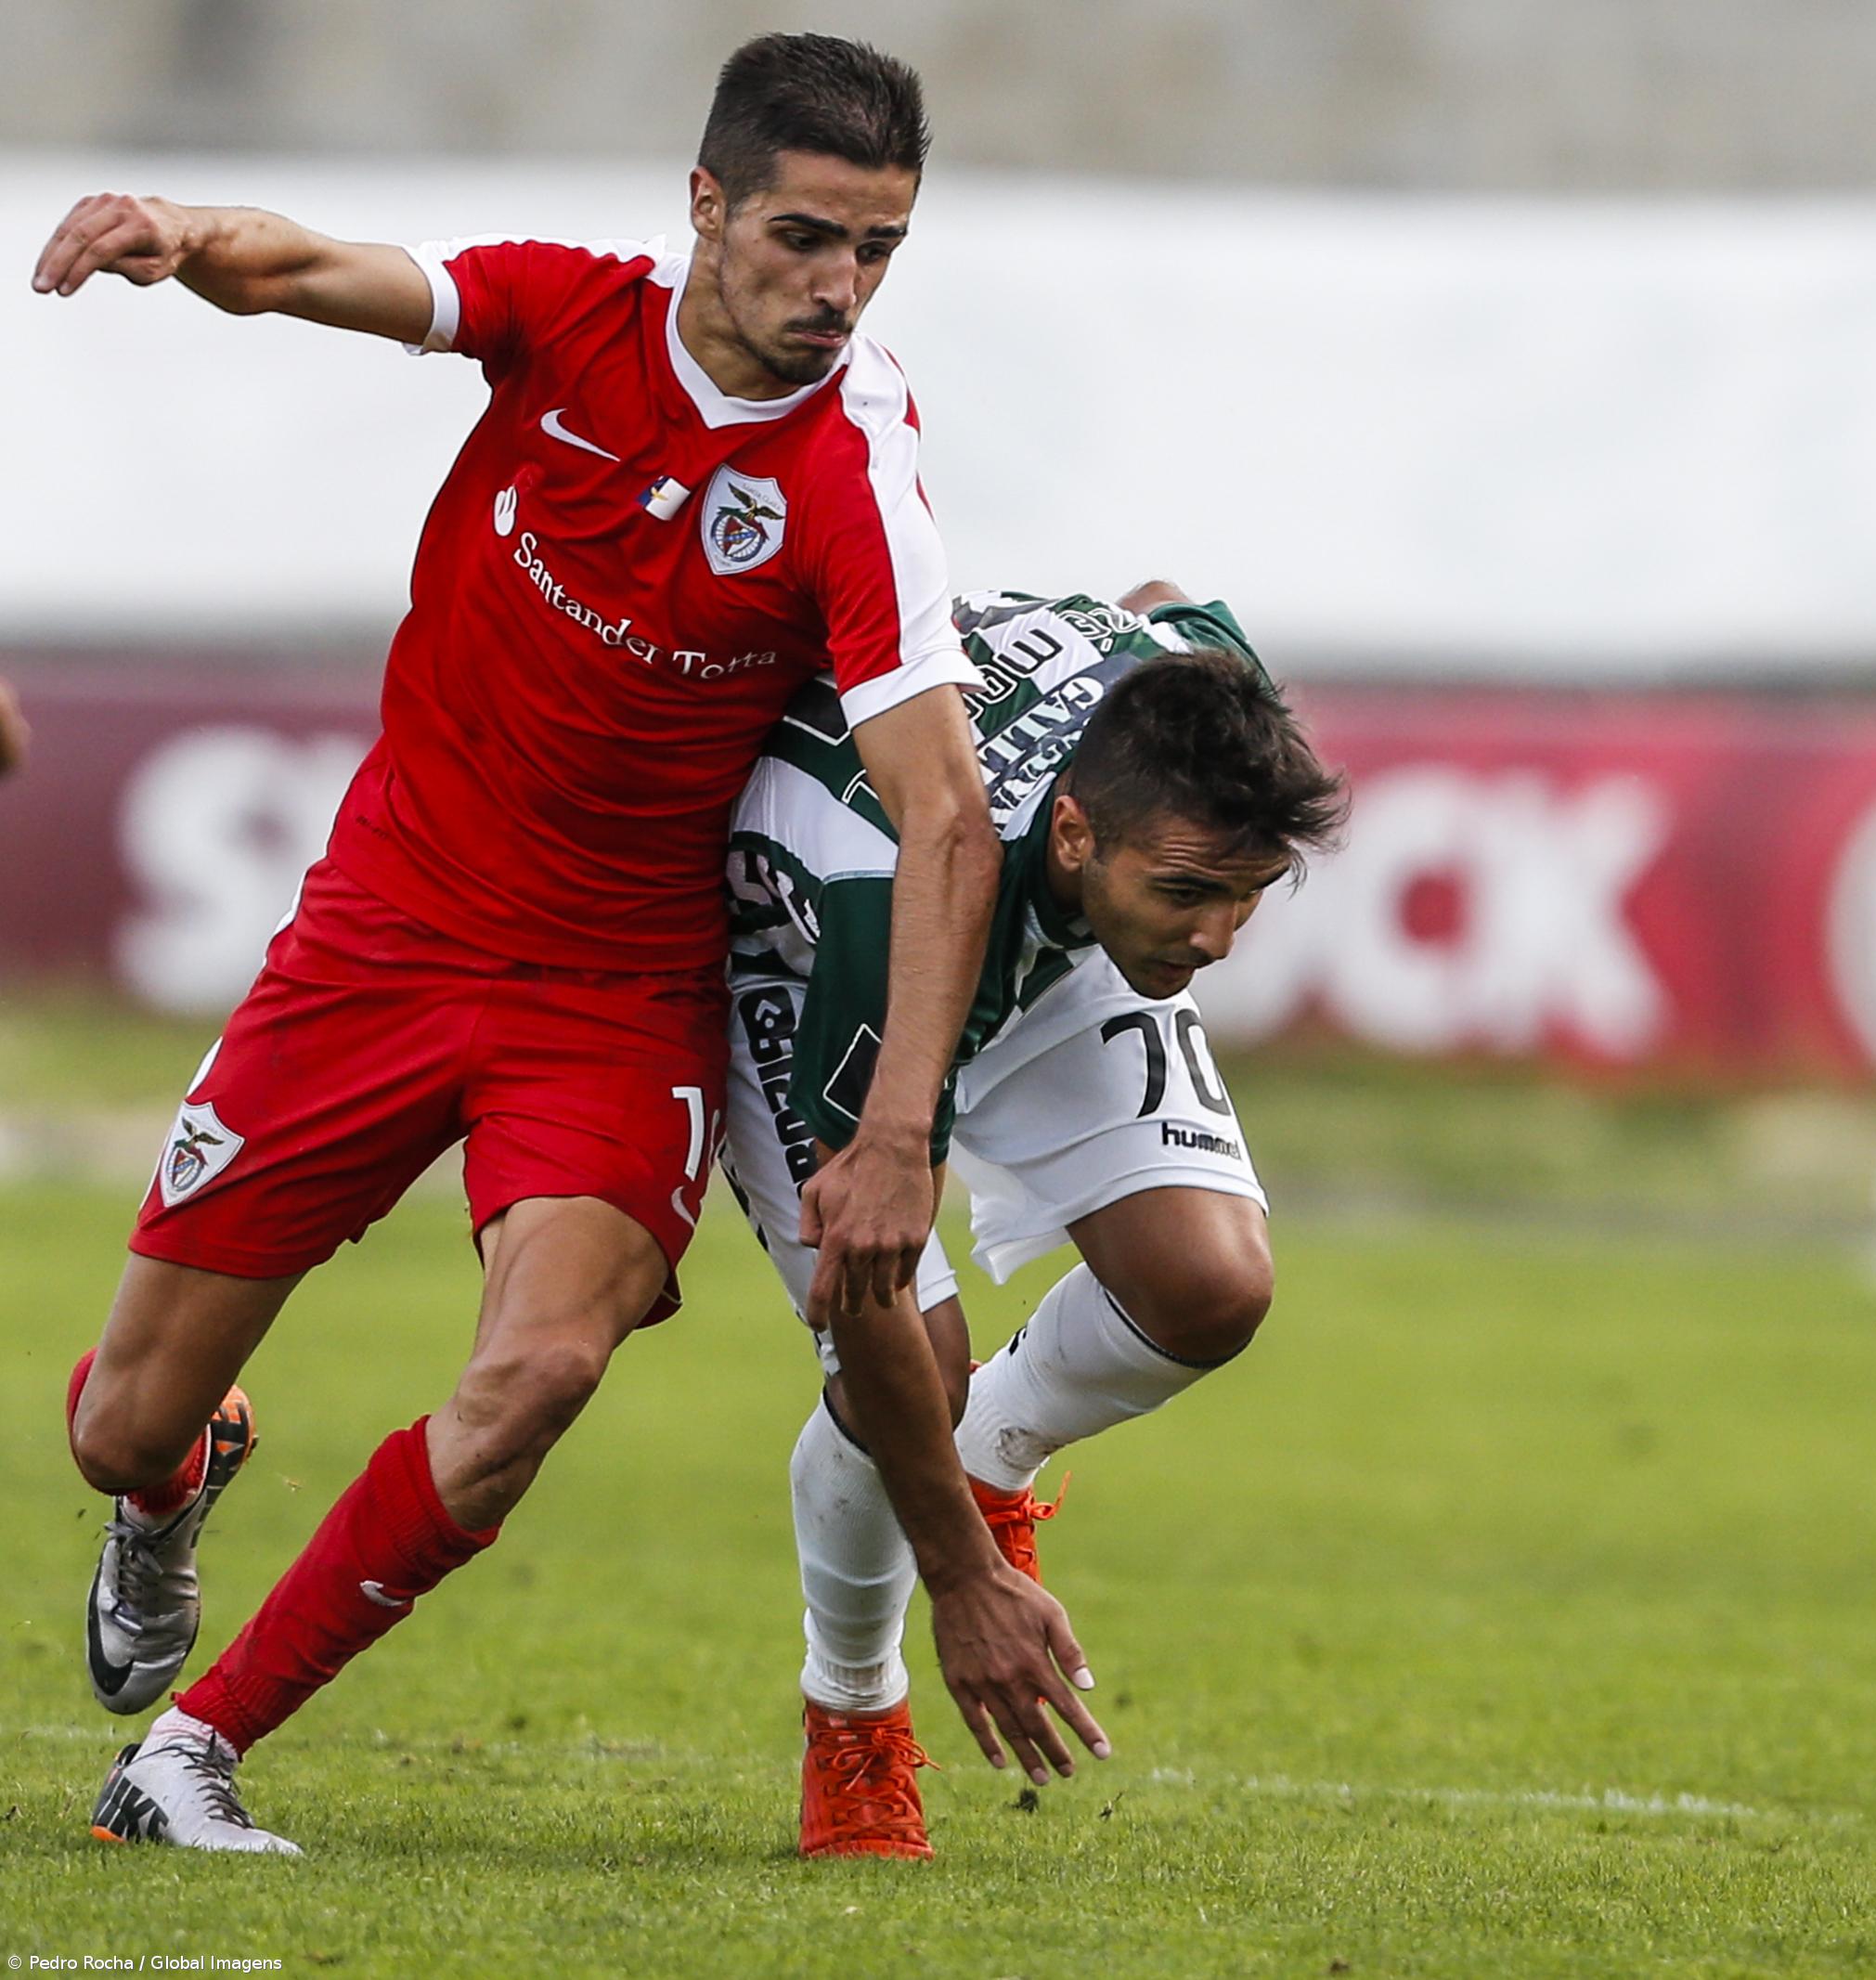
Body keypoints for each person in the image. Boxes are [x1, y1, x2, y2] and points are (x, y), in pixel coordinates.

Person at [42, 34, 1093, 1855]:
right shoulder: (563, 320)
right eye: (801, 236)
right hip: (385, 931)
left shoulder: (854, 464)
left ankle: (192, 1752)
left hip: (614, 996)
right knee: (119, 1421)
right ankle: (178, 1477)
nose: (835, 286)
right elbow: (318, 273)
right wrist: (184, 227)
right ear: (702, 207)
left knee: (540, 1368)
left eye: (876, 249)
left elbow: (944, 812)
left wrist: (897, 1128)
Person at [718, 581, 1344, 1858]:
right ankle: (853, 1716)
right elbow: (871, 1283)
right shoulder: (888, 906)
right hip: (814, 968)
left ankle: (991, 1457)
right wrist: (959, 1581)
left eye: (1251, 891)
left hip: (1052, 934)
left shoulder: (1188, 704)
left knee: (1210, 1285)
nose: (1222, 936)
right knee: (909, 1359)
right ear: (1076, 832)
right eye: (1192, 891)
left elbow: (1166, 604)